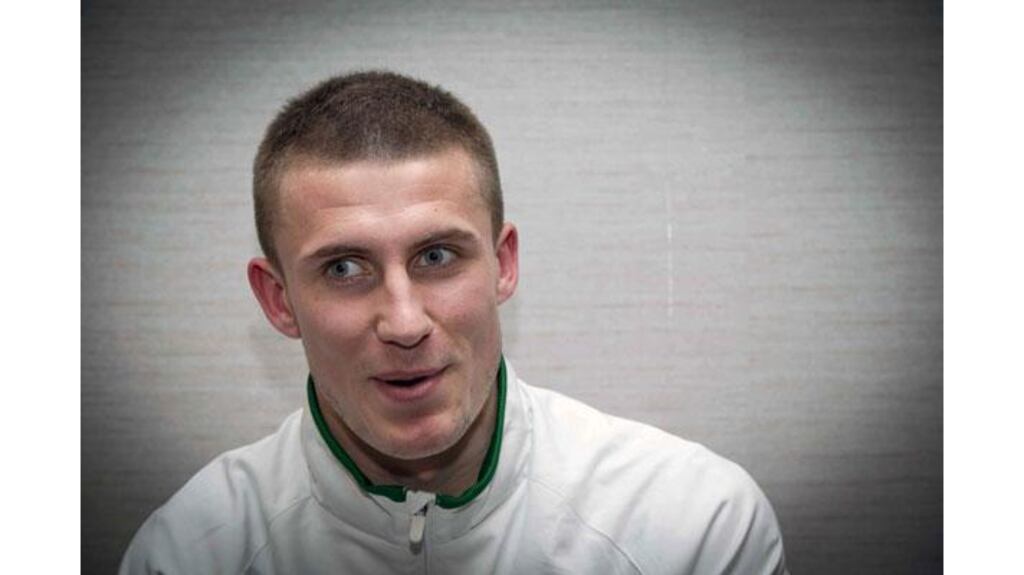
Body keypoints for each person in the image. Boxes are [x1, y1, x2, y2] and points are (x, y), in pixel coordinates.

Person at [120, 70, 788, 574]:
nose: (405, 323)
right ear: (278, 300)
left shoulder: (692, 524)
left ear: (503, 264)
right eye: (345, 268)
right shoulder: (186, 552)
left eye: (437, 256)